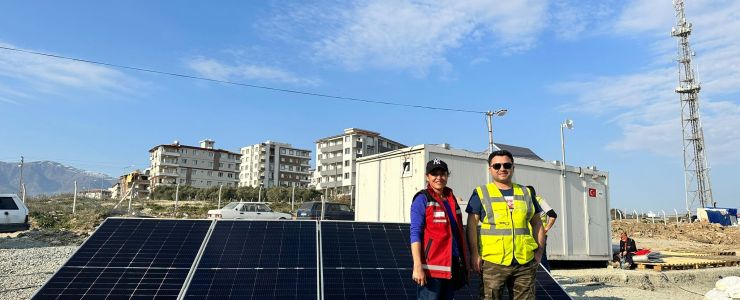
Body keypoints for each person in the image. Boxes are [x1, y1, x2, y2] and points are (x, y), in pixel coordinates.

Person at [466, 150, 546, 300]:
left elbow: (537, 223)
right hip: (493, 262)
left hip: (524, 262)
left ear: (513, 167)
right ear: (490, 169)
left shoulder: (526, 192)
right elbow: (471, 225)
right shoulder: (481, 193)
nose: (502, 169)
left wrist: (539, 252)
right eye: (497, 166)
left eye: (507, 165)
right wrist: (474, 254)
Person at [410, 159, 468, 300]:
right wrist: (417, 265)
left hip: (451, 265)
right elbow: (415, 232)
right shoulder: (422, 199)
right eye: (434, 174)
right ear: (427, 176)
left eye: (442, 174)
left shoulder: (451, 199)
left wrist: (465, 261)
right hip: (431, 268)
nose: (439, 178)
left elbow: (458, 233)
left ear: (447, 175)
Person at [526, 186, 558, 272]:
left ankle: (547, 283)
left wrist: (546, 228)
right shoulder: (525, 202)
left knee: (541, 260)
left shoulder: (539, 201)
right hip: (527, 236)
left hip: (539, 234)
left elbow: (553, 215)